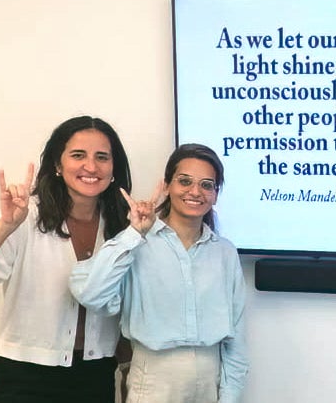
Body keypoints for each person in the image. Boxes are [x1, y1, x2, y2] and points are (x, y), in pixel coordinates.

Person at [0, 116, 132, 402]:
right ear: (58, 164)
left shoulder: (124, 224)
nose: (91, 167)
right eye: (78, 155)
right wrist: (5, 227)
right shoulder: (27, 215)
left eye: (102, 157)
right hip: (24, 378)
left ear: (114, 167)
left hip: (96, 376)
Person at [70, 143, 249, 403]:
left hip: (211, 379)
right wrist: (134, 234)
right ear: (167, 185)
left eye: (207, 185)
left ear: (216, 194)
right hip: (153, 378)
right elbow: (90, 294)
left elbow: (237, 336)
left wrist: (229, 397)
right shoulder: (137, 243)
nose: (195, 192)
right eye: (184, 181)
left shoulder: (224, 252)